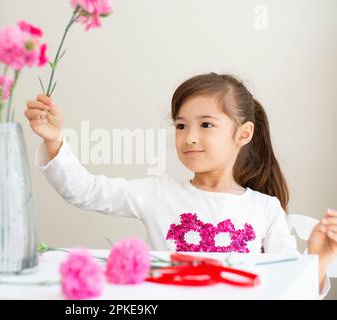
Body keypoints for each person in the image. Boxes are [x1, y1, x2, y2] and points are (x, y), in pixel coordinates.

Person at [24, 72, 336, 297]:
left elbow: (287, 291)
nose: (190, 137)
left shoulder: (265, 209)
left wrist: (318, 260)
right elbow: (86, 191)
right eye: (181, 125)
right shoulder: (157, 193)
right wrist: (53, 141)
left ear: (243, 134)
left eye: (206, 124)